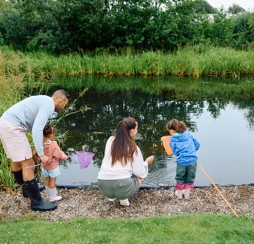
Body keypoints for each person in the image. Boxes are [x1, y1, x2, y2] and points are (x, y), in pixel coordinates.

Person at [0, 89, 69, 211]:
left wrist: (40, 147)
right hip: (12, 127)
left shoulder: (44, 101)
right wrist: (41, 154)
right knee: (29, 164)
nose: (64, 107)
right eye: (65, 104)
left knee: (17, 161)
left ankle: (27, 190)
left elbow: (35, 128)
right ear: (61, 100)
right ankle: (37, 203)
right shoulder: (48, 105)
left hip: (6, 124)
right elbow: (37, 130)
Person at [97, 117, 154, 206]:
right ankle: (123, 198)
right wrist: (146, 162)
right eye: (136, 128)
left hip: (103, 186)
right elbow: (140, 172)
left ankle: (111, 196)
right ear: (131, 131)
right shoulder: (133, 147)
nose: (137, 131)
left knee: (121, 172)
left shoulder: (110, 140)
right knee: (139, 177)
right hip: (122, 187)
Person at [166, 119, 200, 200]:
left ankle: (180, 195)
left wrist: (180, 154)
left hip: (181, 162)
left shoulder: (173, 139)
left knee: (180, 177)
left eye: (169, 131)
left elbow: (175, 152)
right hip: (192, 160)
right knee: (190, 178)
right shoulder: (188, 134)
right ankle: (187, 195)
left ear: (172, 130)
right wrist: (191, 151)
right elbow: (197, 144)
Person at [40, 124, 68, 202]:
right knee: (52, 180)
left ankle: (49, 194)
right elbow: (58, 153)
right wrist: (64, 156)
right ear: (51, 135)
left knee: (47, 179)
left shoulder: (40, 144)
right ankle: (52, 197)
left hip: (44, 166)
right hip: (52, 166)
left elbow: (37, 153)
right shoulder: (53, 144)